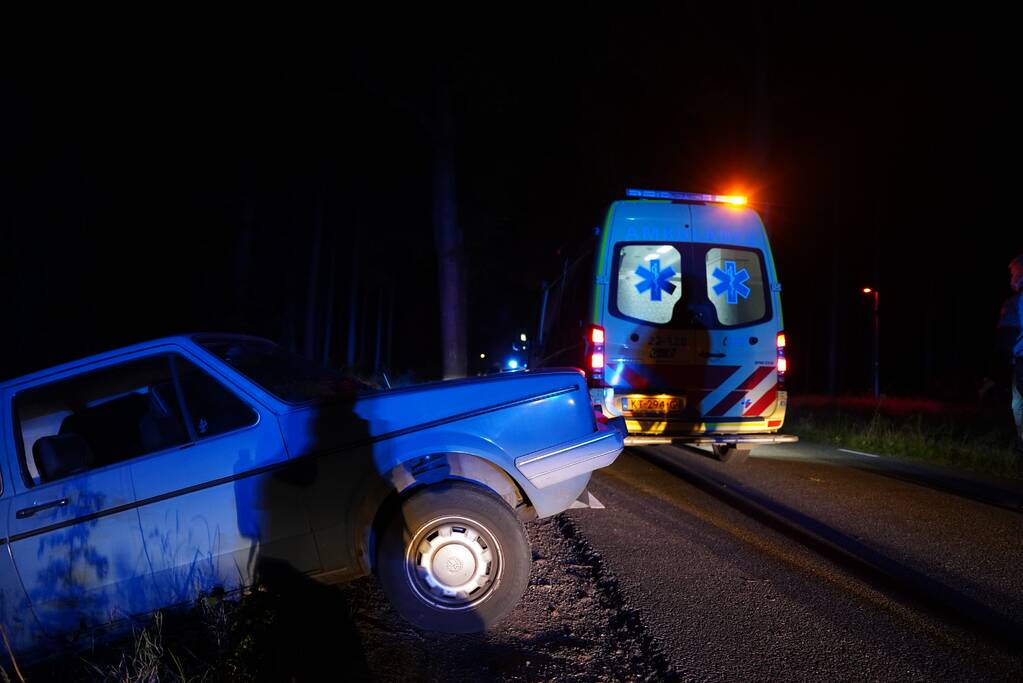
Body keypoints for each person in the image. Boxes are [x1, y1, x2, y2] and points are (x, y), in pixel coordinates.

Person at [994, 254, 1023, 455]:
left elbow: (1006, 333)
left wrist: (995, 368)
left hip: (1022, 359)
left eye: (1013, 274)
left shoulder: (1015, 302)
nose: (1011, 279)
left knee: (1019, 403)